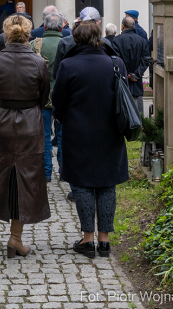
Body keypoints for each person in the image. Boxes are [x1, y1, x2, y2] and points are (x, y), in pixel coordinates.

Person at [52, 20, 129, 260]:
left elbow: (58, 101)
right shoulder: (116, 63)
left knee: (83, 184)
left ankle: (88, 239)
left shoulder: (68, 65)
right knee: (107, 183)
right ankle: (104, 241)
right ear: (99, 37)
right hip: (111, 131)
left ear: (76, 39)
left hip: (78, 132)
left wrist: (66, 119)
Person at [0, 14, 51, 258]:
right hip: (29, 123)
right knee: (26, 177)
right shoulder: (38, 62)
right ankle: (15, 238)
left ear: (5, 34)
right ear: (28, 35)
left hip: (1, 120)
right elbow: (44, 98)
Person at [36, 12, 66, 180]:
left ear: (45, 26)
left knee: (44, 135)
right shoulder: (69, 44)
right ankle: (64, 172)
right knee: (62, 136)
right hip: (64, 97)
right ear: (62, 27)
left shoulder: (36, 44)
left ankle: (46, 172)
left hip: (42, 96)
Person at [111, 15, 152, 116]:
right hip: (136, 80)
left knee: (123, 111)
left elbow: (115, 60)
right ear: (133, 26)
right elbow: (146, 60)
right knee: (138, 112)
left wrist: (127, 74)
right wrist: (136, 74)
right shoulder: (141, 40)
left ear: (122, 26)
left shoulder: (117, 40)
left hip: (122, 80)